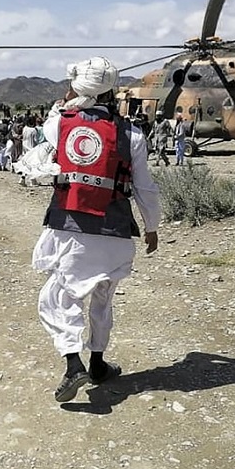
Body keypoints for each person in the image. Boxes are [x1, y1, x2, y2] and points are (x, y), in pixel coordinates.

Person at [32, 56, 160, 403]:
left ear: (76, 88)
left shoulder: (60, 124)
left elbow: (52, 121)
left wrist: (66, 100)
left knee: (59, 298)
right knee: (103, 300)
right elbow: (145, 187)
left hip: (71, 227)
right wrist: (151, 227)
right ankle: (99, 364)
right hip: (115, 229)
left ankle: (74, 365)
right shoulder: (131, 133)